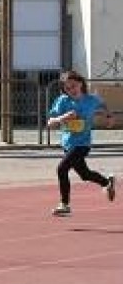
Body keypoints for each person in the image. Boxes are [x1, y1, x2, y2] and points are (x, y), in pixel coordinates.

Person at [46, 69, 115, 216]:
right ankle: (107, 183)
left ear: (81, 83)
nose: (72, 90)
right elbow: (50, 123)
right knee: (84, 174)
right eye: (67, 88)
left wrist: (108, 117)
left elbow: (102, 105)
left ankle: (64, 204)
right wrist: (62, 118)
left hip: (83, 144)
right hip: (68, 144)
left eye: (74, 86)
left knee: (62, 168)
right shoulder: (62, 101)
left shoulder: (91, 99)